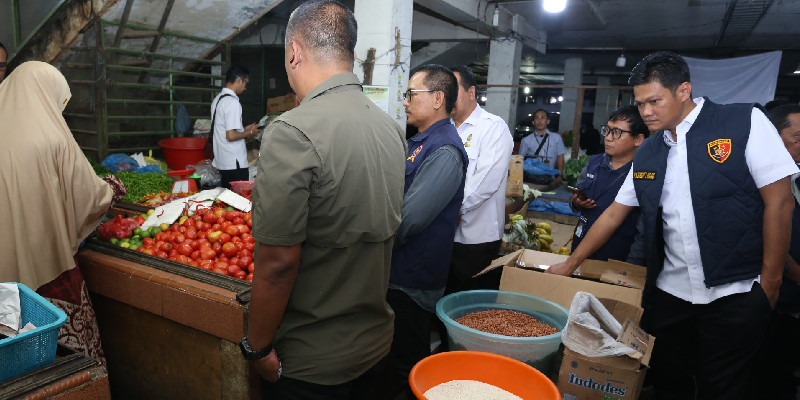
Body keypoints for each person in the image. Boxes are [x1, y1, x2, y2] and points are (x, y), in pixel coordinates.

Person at [547, 51, 798, 399]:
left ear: (684, 90)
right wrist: (571, 263)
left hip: (735, 292)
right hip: (670, 294)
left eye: (654, 101)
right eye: (640, 104)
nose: (646, 112)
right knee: (668, 378)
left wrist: (769, 284)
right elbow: (615, 213)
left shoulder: (742, 123)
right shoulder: (649, 151)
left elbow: (780, 202)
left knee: (722, 386)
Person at [244, 1, 407, 398]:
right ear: (350, 55)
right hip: (374, 343)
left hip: (311, 361)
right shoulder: (390, 129)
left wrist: (257, 346)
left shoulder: (293, 130)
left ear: (294, 53)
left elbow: (278, 264)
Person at [0, 62, 127, 363]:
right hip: (45, 267)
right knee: (72, 358)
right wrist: (113, 187)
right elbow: (89, 197)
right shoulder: (53, 139)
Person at [388, 64, 467, 398]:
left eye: (411, 94)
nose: (404, 102)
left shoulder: (446, 151)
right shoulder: (421, 141)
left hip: (411, 280)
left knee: (405, 365)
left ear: (437, 99)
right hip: (397, 272)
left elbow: (407, 219)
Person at [746, 104, 800, 399]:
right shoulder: (757, 181)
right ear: (773, 137)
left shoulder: (795, 176)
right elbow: (764, 233)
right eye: (798, 137)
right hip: (771, 292)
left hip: (791, 300)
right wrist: (791, 272)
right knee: (763, 369)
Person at [445, 65, 512, 296]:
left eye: (454, 90)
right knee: (444, 297)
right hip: (443, 233)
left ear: (471, 92)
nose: (448, 97)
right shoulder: (444, 128)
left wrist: (450, 210)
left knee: (467, 302)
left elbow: (485, 182)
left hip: (476, 238)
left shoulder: (493, 128)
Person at [570, 106, 649, 261]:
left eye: (617, 132)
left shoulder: (643, 175)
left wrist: (630, 267)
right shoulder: (594, 162)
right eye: (607, 130)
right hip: (580, 251)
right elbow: (576, 195)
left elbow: (643, 233)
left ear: (638, 139)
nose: (608, 137)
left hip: (615, 258)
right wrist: (576, 203)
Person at [211, 65, 258, 189]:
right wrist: (251, 133)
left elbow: (224, 129)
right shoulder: (232, 102)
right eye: (245, 82)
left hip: (223, 160)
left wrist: (244, 130)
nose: (245, 87)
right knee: (240, 200)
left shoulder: (217, 100)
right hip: (234, 162)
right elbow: (230, 136)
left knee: (226, 199)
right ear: (238, 80)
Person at [518, 109, 566, 178]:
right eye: (537, 118)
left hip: (551, 178)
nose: (540, 121)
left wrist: (560, 175)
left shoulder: (557, 138)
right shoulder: (526, 140)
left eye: (542, 118)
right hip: (533, 178)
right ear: (533, 122)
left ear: (548, 121)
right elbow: (520, 159)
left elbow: (560, 156)